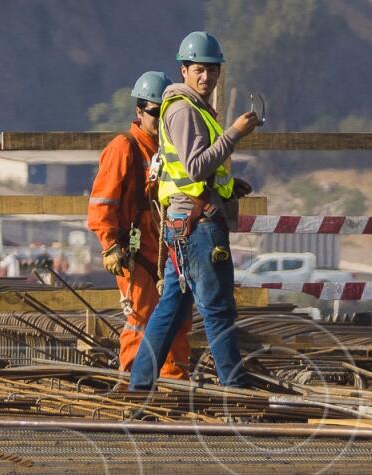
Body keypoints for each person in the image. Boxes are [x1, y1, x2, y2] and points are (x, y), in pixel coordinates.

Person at [128, 31, 259, 392]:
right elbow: (197, 166)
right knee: (217, 309)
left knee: (171, 309)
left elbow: (196, 175)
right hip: (198, 228)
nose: (207, 77)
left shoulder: (191, 108)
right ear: (183, 70)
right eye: (199, 70)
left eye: (212, 70)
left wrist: (232, 187)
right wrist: (235, 132)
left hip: (185, 223)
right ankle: (235, 385)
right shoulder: (185, 110)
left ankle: (139, 385)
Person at [88, 69, 190, 379]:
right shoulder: (125, 148)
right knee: (141, 318)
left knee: (177, 318)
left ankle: (174, 381)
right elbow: (102, 203)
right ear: (139, 111)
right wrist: (109, 246)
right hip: (136, 252)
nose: (160, 122)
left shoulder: (173, 150)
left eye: (166, 115)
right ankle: (134, 381)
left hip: (170, 249)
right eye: (154, 113)